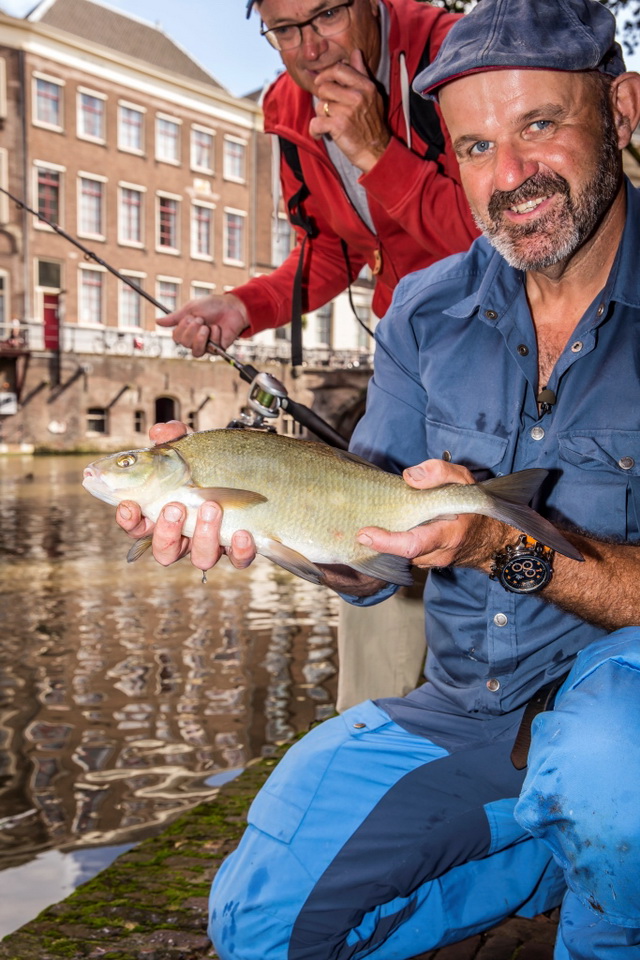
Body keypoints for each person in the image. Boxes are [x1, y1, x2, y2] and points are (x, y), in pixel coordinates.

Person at [117, 0, 640, 956]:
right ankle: (543, 852)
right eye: (475, 148)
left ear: (623, 109)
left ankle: (602, 878)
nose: (510, 178)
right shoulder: (420, 318)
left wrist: (504, 549)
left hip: (622, 705)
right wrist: (283, 532)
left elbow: (515, 553)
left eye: (540, 126)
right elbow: (378, 562)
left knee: (610, 774)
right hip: (473, 706)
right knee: (257, 925)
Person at [157, 0, 478, 355]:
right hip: (405, 340)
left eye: (328, 14)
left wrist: (376, 152)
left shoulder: (462, 56)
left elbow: (503, 241)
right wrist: (244, 305)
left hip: (503, 328)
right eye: (283, 30)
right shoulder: (288, 107)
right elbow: (328, 250)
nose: (311, 51)